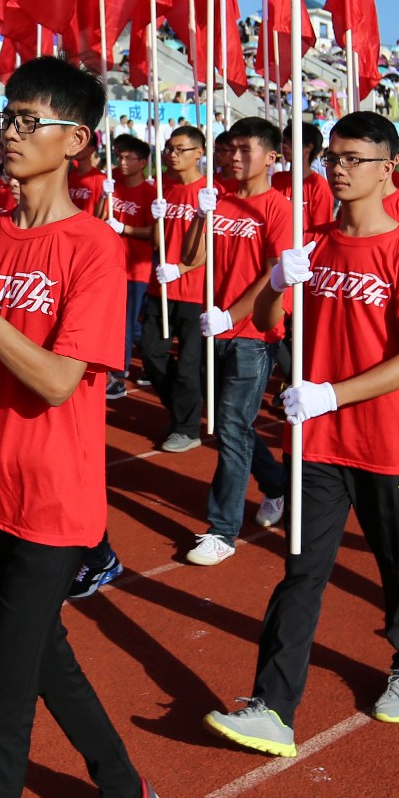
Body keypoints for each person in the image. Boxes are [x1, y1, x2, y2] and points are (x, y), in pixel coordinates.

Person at [0, 58, 153, 798]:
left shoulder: (95, 247)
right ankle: (122, 783)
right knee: (44, 653)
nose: (10, 133)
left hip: (52, 496)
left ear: (75, 139)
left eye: (27, 121)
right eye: (7, 118)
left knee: (3, 695)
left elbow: (57, 379)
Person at [204, 111, 399, 757]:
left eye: (354, 157)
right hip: (317, 444)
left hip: (387, 441)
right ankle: (274, 705)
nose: (338, 167)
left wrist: (332, 392)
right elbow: (267, 318)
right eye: (333, 157)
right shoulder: (311, 242)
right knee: (300, 572)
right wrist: (279, 283)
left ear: (388, 169)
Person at [183, 116, 292, 566]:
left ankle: (222, 529)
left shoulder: (278, 208)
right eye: (231, 149)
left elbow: (274, 273)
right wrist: (200, 216)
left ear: (270, 157)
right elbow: (191, 259)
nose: (234, 157)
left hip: (252, 333)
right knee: (232, 423)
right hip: (214, 326)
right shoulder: (219, 200)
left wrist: (233, 314)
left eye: (245, 150)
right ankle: (278, 483)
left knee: (230, 425)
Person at [141, 124, 212, 453]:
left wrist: (181, 269)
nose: (172, 154)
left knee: (187, 364)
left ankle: (187, 427)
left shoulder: (209, 192)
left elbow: (212, 248)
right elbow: (158, 242)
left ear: (199, 153)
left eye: (180, 149)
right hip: (161, 289)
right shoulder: (164, 189)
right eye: (169, 148)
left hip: (195, 293)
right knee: (151, 353)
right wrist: (158, 218)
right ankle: (184, 410)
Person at [107, 132, 155, 399]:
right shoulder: (111, 183)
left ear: (143, 162)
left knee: (125, 321)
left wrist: (124, 227)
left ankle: (119, 372)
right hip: (111, 264)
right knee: (124, 322)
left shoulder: (148, 192)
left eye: (129, 157)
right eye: (119, 156)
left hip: (136, 268)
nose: (122, 162)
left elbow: (153, 232)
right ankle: (146, 356)